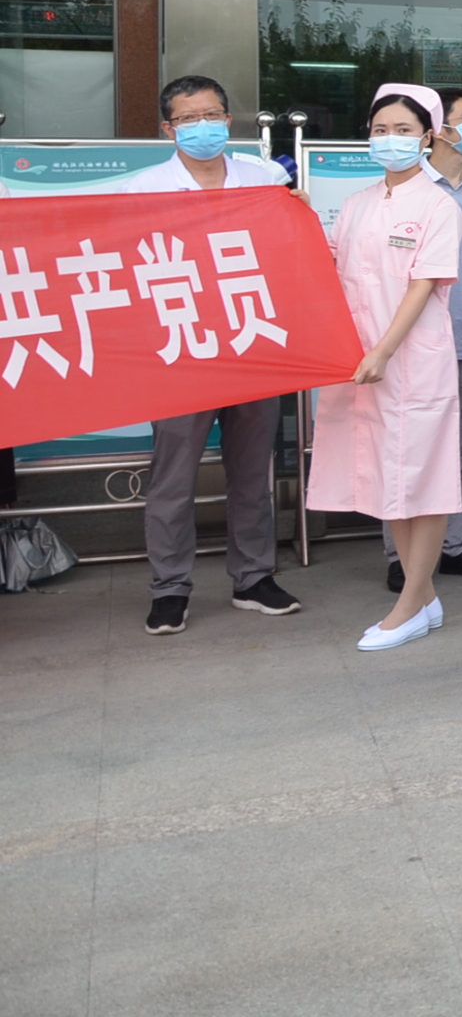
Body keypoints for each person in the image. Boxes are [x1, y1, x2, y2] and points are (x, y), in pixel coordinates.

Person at [125, 75, 301, 636]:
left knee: (251, 472)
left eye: (212, 115)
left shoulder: (264, 177)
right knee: (172, 479)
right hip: (181, 350)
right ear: (168, 128)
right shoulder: (142, 190)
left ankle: (253, 577)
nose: (202, 126)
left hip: (252, 343)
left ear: (228, 119)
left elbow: (292, 250)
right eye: (188, 118)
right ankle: (169, 588)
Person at [309, 86, 462, 651]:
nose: (389, 139)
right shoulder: (357, 204)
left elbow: (423, 286)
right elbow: (326, 264)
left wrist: (383, 351)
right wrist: (293, 216)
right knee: (389, 480)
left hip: (410, 362)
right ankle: (426, 598)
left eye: (403, 130)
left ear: (427, 138)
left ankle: (409, 605)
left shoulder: (439, 206)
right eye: (380, 130)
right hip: (360, 364)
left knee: (423, 481)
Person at [382, 87, 462, 592]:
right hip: (413, 340)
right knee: (407, 447)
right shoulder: (405, 186)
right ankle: (402, 554)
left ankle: (456, 545)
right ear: (438, 129)